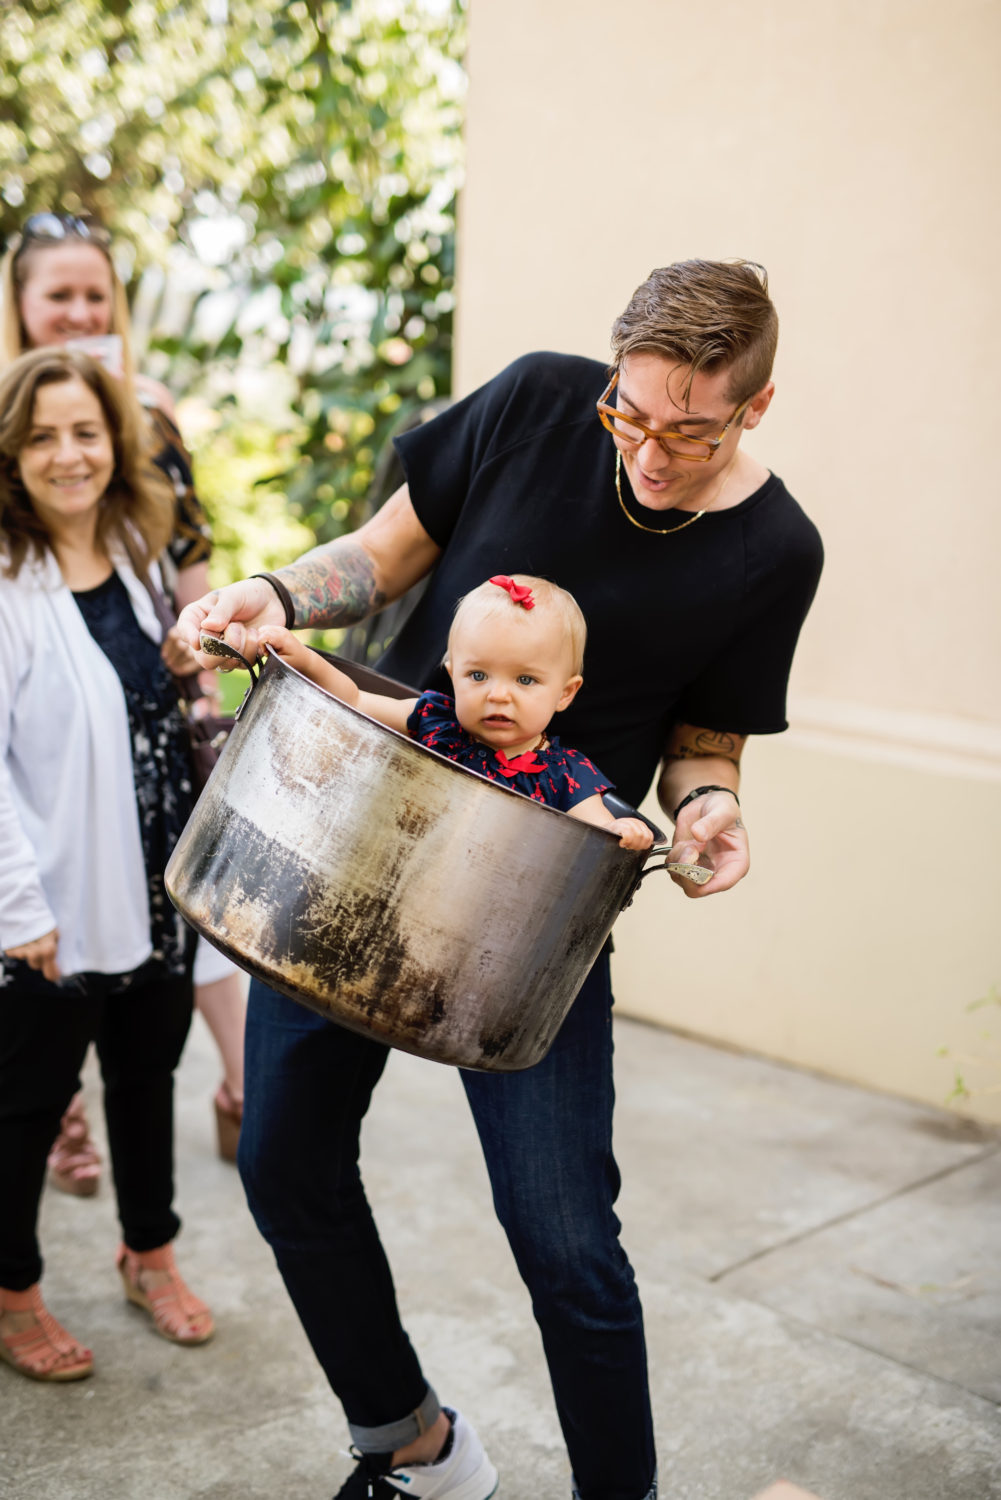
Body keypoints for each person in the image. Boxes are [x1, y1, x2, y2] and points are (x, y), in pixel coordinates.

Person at [178, 259, 824, 1500]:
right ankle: (411, 1448)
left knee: (566, 1244)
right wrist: (269, 593)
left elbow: (706, 744)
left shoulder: (773, 550)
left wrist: (709, 814)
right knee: (283, 1164)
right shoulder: (535, 401)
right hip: (358, 837)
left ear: (756, 405)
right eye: (628, 416)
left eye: (686, 431)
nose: (645, 451)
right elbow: (375, 560)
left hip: (537, 901)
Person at [0, 211, 247, 1177]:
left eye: (94, 293)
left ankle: (233, 1092)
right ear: (20, 306)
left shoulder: (146, 418)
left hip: (143, 702)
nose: (78, 310)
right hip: (43, 730)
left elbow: (182, 553)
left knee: (173, 964)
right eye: (57, 293)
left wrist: (207, 680)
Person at [0, 347, 213, 1380]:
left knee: (146, 1078)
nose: (67, 453)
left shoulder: (133, 556)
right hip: (49, 908)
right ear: (11, 455)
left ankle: (150, 1253)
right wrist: (16, 909)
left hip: (154, 887)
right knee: (26, 1103)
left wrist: (174, 660)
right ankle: (13, 1294)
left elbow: (139, 711)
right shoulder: (4, 581)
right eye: (40, 435)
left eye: (84, 430)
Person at [258, 573, 653, 850]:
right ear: (453, 675)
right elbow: (357, 701)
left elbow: (598, 828)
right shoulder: (436, 721)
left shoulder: (565, 773)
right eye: (478, 675)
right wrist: (305, 660)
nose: (498, 695)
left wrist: (624, 832)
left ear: (565, 693)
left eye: (526, 680)